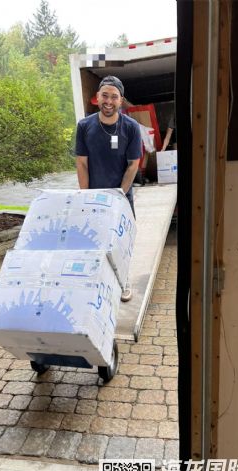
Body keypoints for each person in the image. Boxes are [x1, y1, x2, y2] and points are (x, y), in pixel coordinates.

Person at [75, 75, 142, 302]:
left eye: (114, 97)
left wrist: (120, 195)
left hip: (121, 195)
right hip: (94, 196)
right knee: (95, 240)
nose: (109, 101)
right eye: (105, 95)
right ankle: (97, 281)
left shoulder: (131, 128)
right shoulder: (84, 127)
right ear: (97, 97)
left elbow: (133, 165)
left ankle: (123, 281)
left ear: (121, 100)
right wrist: (85, 196)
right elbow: (82, 163)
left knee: (121, 242)